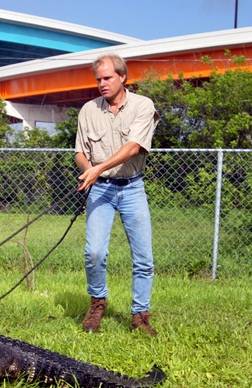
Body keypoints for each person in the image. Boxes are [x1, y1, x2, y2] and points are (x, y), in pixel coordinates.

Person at [74, 53, 160, 336]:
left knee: (143, 258)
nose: (102, 83)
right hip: (100, 189)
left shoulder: (142, 106)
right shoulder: (88, 110)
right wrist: (89, 172)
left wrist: (97, 169)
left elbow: (133, 147)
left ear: (123, 77)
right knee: (94, 252)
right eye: (98, 79)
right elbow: (80, 153)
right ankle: (98, 303)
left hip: (132, 188)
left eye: (108, 78)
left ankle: (140, 316)